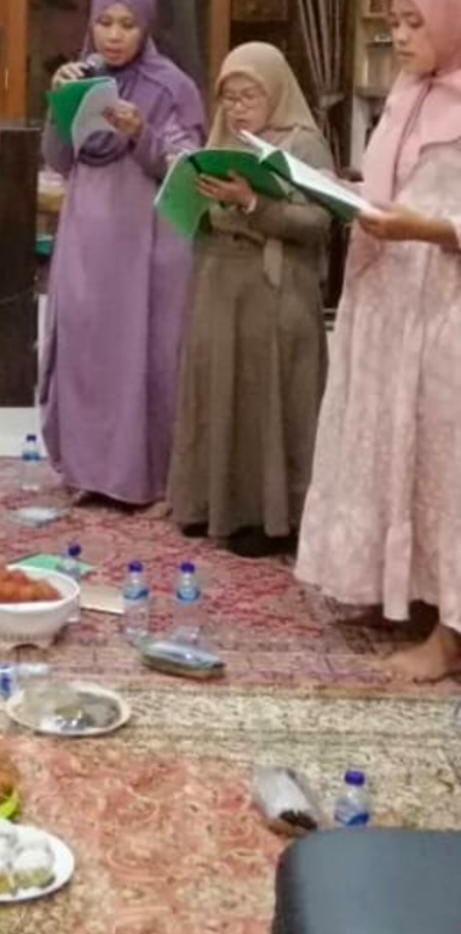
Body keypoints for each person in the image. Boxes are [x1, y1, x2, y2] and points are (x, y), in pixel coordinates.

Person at [296, 0, 461, 683]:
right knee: (395, 448)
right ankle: (399, 593)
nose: (399, 36)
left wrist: (425, 229)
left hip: (443, 307)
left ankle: (449, 636)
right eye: (394, 22)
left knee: (445, 466)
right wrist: (340, 188)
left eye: (414, 22)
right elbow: (393, 186)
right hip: (387, 300)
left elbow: (434, 210)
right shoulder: (404, 95)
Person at [40, 0, 205, 508]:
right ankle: (87, 471)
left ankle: (143, 478)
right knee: (84, 345)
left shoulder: (171, 87)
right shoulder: (82, 77)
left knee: (144, 352)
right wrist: (59, 104)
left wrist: (140, 133)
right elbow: (60, 159)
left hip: (146, 243)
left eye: (127, 24)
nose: (113, 35)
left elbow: (187, 171)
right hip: (86, 235)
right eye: (104, 22)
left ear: (147, 27)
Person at [168, 43, 333, 557]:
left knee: (268, 399)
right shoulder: (220, 141)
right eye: (229, 97)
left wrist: (254, 202)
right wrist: (191, 201)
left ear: (276, 91)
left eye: (249, 96)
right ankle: (211, 505)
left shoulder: (303, 143)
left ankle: (272, 518)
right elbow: (200, 218)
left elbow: (321, 221)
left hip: (276, 288)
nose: (238, 108)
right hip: (220, 281)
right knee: (217, 391)